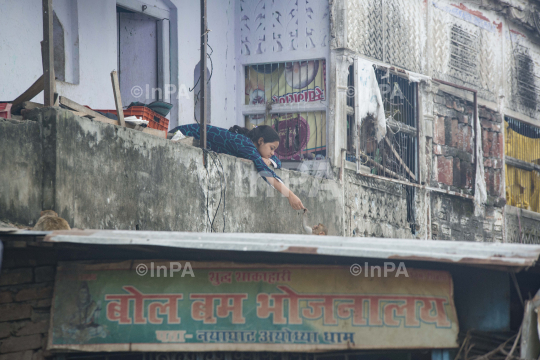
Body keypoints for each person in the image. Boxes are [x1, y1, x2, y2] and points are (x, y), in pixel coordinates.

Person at [169, 123, 306, 210]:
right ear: (260, 141)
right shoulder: (245, 145)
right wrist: (290, 195)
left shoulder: (251, 146)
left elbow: (277, 161)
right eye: (271, 148)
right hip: (180, 134)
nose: (272, 153)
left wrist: (270, 161)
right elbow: (265, 172)